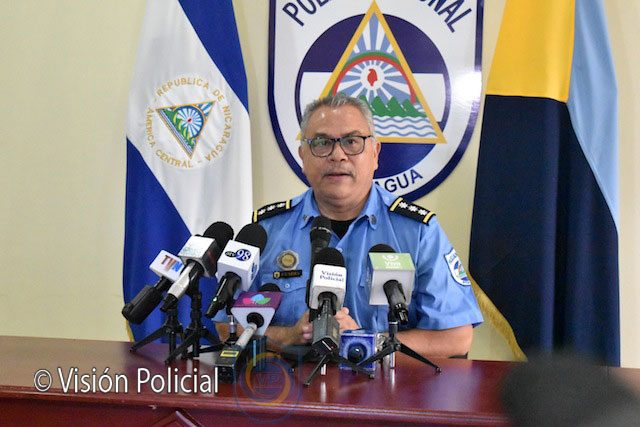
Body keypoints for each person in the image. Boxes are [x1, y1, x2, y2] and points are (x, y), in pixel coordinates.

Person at [217, 93, 482, 358]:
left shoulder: (418, 232)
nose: (338, 155)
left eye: (351, 142)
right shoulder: (266, 232)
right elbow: (225, 326)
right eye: (322, 143)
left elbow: (456, 338)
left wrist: (366, 343)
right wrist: (289, 336)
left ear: (375, 154)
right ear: (302, 157)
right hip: (288, 382)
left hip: (385, 384)